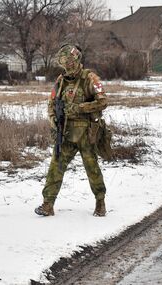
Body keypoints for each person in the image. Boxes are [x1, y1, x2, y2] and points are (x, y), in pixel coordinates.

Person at [35, 44, 108, 217]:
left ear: (76, 60)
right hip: (66, 132)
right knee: (56, 166)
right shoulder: (60, 81)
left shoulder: (89, 78)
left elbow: (103, 102)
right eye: (64, 63)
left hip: (86, 132)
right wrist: (52, 118)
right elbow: (52, 103)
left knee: (92, 168)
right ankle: (48, 204)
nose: (67, 66)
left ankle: (100, 202)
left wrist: (80, 108)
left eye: (70, 62)